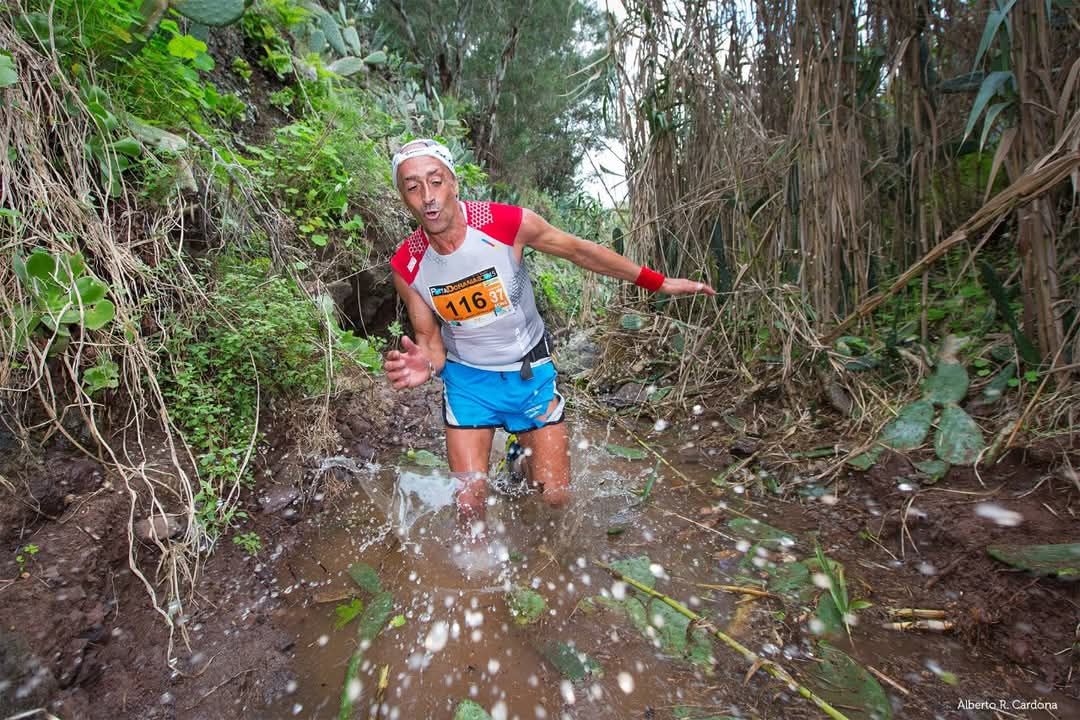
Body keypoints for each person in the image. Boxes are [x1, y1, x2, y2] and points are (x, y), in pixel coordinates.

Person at [384, 139, 715, 519]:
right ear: (403, 197)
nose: (428, 196)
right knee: (469, 507)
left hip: (529, 371)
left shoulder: (504, 224)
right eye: (413, 187)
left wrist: (659, 282)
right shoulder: (408, 263)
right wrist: (427, 363)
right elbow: (430, 341)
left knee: (554, 498)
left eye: (436, 181)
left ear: (454, 183)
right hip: (469, 382)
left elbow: (579, 250)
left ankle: (518, 458)